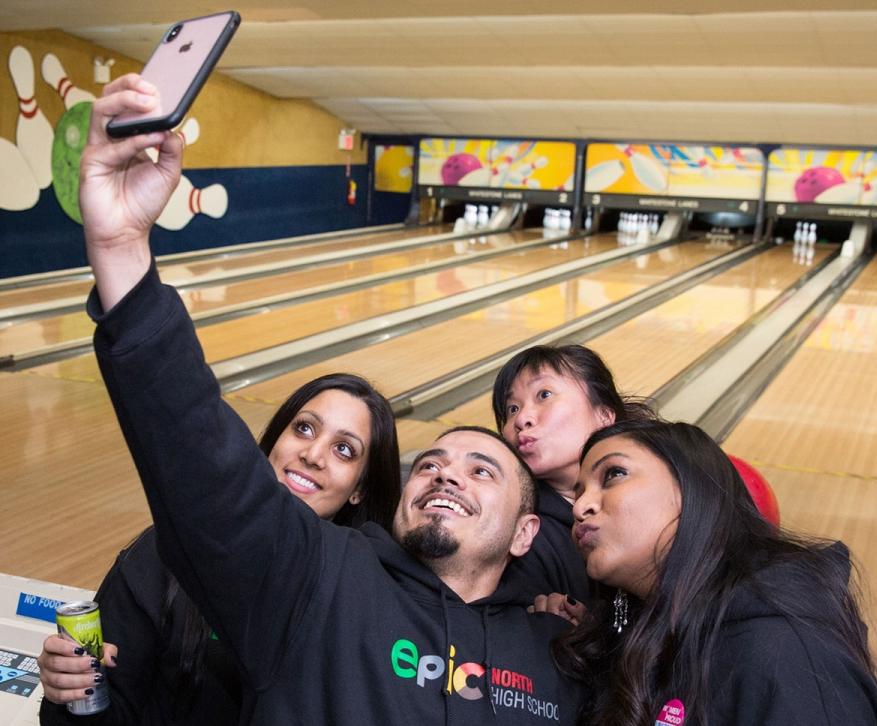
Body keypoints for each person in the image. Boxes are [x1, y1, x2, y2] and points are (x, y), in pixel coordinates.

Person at [69, 73, 584, 724]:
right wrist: (120, 251)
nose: (445, 472)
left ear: (525, 533)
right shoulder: (317, 583)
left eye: (482, 470)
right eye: (429, 463)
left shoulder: (563, 653)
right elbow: (202, 455)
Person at [38, 372, 403, 725]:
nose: (313, 454)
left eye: (344, 449)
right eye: (304, 428)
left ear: (359, 489)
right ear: (275, 441)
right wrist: (69, 693)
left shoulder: (372, 598)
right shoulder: (167, 553)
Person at [554, 419, 877, 726]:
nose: (581, 506)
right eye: (578, 493)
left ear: (691, 488)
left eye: (613, 474)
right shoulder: (650, 641)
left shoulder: (786, 654)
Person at [492, 345, 654, 602]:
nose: (522, 419)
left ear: (603, 415)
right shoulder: (520, 534)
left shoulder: (663, 491)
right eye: (512, 409)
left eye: (544, 394)